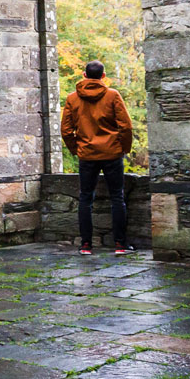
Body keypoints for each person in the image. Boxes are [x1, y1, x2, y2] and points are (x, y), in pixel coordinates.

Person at [60, 59, 133, 255]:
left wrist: (77, 150)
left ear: (84, 75)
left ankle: (86, 245)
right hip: (112, 153)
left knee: (85, 198)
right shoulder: (112, 95)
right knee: (117, 197)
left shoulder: (73, 98)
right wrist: (123, 148)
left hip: (87, 155)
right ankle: (120, 244)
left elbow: (66, 131)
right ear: (103, 76)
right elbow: (125, 126)